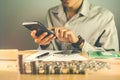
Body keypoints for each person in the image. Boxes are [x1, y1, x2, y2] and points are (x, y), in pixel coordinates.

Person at [31, 0, 119, 52]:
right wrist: (44, 44)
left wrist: (79, 43)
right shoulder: (51, 13)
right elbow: (50, 52)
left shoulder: (104, 16)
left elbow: (112, 55)